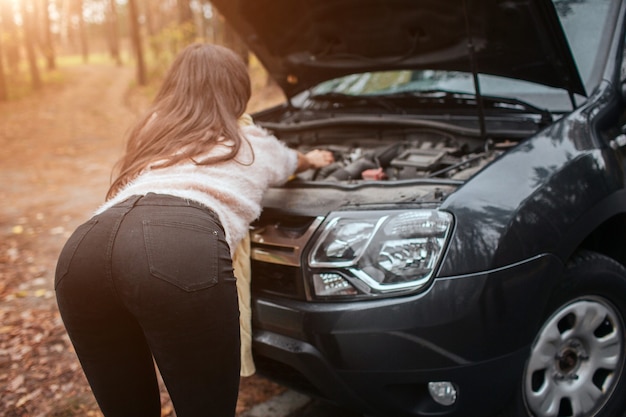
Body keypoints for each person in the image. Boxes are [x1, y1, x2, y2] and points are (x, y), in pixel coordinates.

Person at [54, 43, 334, 417]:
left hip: (83, 250)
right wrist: (315, 159)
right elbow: (292, 161)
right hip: (176, 244)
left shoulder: (153, 135)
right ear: (238, 93)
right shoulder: (250, 141)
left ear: (174, 88)